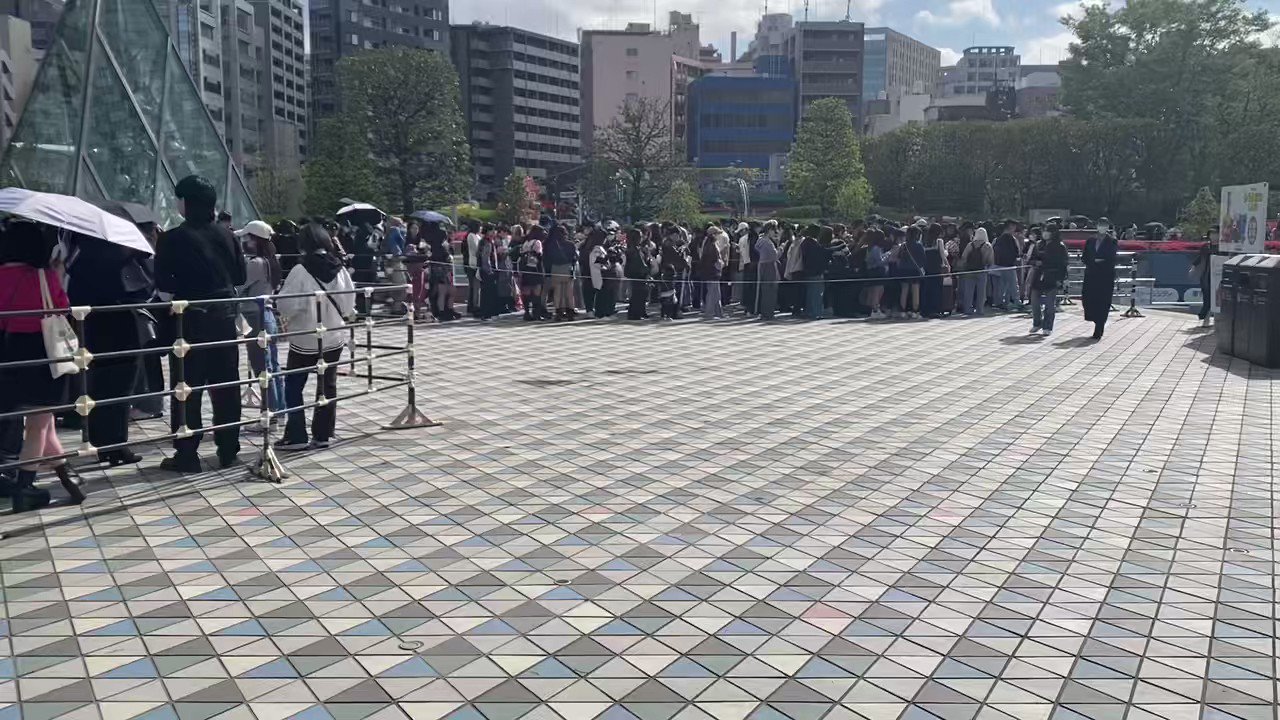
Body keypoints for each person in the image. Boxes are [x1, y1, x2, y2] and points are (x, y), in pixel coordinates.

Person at [154, 175, 245, 473]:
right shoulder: (228, 236)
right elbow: (240, 277)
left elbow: (163, 285)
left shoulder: (173, 238)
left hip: (190, 322)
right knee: (226, 386)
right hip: (225, 320)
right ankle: (229, 450)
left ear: (185, 202)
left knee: (187, 389)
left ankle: (187, 453)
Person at [0, 220, 86, 511]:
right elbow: (62, 308)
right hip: (43, 351)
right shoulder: (44, 276)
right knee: (39, 423)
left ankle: (68, 480)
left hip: (8, 352)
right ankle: (24, 489)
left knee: (43, 423)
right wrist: (58, 276)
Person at [65, 226, 155, 466]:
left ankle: (99, 442)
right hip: (122, 330)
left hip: (93, 330)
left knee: (99, 387)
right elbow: (144, 290)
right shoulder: (120, 261)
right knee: (121, 389)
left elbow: (74, 295)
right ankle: (116, 446)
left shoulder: (79, 260)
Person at [274, 223, 356, 451]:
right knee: (327, 384)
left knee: (293, 385)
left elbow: (286, 305)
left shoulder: (300, 270)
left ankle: (296, 435)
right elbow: (348, 304)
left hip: (306, 337)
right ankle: (323, 433)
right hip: (334, 335)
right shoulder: (339, 268)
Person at [234, 221, 285, 415]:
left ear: (255, 240)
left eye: (246, 238)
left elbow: (238, 288)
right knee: (273, 365)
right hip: (267, 315)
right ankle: (279, 409)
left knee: (261, 366)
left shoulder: (255, 264)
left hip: (254, 317)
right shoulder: (271, 261)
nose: (244, 242)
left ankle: (269, 412)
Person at [1029, 225, 1069, 336]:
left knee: (1050, 304)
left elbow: (1063, 264)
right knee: (1034, 301)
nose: (1045, 233)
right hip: (1038, 275)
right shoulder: (1039, 244)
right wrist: (1035, 262)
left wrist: (1061, 279)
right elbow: (1032, 259)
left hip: (1052, 276)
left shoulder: (1060, 246)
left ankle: (1047, 326)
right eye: (1044, 231)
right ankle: (1037, 323)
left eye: (1048, 231)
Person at [1082, 223, 1118, 339]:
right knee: (1089, 299)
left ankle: (1099, 327)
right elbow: (1084, 256)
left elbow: (1112, 257)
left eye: (1104, 225)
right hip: (1091, 274)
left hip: (1105, 275)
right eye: (1100, 225)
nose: (1102, 228)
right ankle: (1094, 319)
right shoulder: (1091, 240)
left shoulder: (1112, 241)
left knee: (1103, 301)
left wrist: (1102, 261)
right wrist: (1092, 261)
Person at [544, 224, 577, 320]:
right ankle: (570, 312)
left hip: (556, 268)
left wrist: (548, 272)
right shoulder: (570, 244)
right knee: (569, 292)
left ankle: (558, 312)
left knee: (557, 292)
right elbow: (574, 258)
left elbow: (547, 259)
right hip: (568, 268)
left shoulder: (551, 245)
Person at [958, 227, 994, 316]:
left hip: (969, 270)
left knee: (968, 291)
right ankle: (979, 309)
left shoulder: (970, 245)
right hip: (982, 270)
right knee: (981, 292)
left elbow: (964, 257)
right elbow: (990, 260)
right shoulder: (987, 246)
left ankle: (967, 309)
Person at [518, 226, 548, 321]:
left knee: (526, 292)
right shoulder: (537, 242)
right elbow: (539, 255)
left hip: (526, 269)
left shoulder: (526, 242)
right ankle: (536, 314)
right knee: (537, 292)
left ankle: (527, 313)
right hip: (535, 270)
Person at [921, 223, 949, 318]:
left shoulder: (924, 241)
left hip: (927, 268)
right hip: (936, 268)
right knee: (937, 290)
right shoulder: (939, 241)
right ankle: (936, 309)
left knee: (927, 289)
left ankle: (926, 310)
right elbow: (942, 255)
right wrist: (947, 265)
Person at [992, 220, 1022, 311]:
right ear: (1011, 227)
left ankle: (1000, 302)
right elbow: (1016, 252)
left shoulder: (998, 239)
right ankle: (1015, 302)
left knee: (1001, 286)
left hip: (999, 266)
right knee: (1013, 285)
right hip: (1009, 266)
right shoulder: (1012, 239)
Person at [898, 225, 926, 319]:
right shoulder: (918, 245)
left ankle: (902, 311)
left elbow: (899, 257)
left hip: (903, 269)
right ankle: (915, 311)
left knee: (904, 290)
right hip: (914, 270)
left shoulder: (903, 245)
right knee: (915, 290)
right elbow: (923, 259)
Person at [755, 222, 781, 320]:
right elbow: (775, 256)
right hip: (769, 266)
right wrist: (781, 248)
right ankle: (768, 313)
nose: (775, 232)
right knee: (770, 291)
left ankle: (764, 312)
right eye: (774, 230)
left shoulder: (760, 240)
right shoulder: (768, 242)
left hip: (762, 265)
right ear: (769, 230)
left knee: (765, 290)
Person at [623, 228, 650, 320]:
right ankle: (635, 314)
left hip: (639, 274)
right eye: (640, 236)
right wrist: (645, 270)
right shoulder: (632, 250)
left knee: (642, 294)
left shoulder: (637, 249)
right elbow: (638, 263)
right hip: (636, 274)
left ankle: (641, 312)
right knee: (637, 294)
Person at [1191, 228, 1216, 327]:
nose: (1214, 236)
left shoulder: (1223, 247)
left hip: (1217, 275)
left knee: (1214, 299)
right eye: (1212, 234)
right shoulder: (1206, 247)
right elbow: (1199, 257)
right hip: (1206, 275)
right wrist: (1193, 267)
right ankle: (1205, 318)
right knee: (1207, 298)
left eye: (1216, 234)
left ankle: (1205, 316)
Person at [476, 225, 502, 320]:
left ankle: (489, 312)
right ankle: (486, 313)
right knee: (487, 292)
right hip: (487, 270)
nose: (494, 232)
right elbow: (485, 258)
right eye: (492, 231)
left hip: (487, 270)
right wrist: (489, 270)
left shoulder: (488, 241)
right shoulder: (486, 242)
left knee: (488, 291)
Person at [700, 227, 726, 319]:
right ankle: (710, 313)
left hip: (712, 272)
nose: (719, 236)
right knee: (712, 294)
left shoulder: (709, 244)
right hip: (712, 272)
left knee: (716, 294)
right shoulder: (711, 245)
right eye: (717, 234)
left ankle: (718, 313)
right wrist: (720, 264)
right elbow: (714, 260)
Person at [462, 219, 481, 317]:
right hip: (472, 263)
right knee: (473, 286)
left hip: (478, 263)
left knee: (476, 287)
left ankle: (475, 304)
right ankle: (472, 306)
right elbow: (475, 249)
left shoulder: (477, 236)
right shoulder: (471, 236)